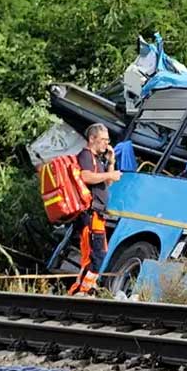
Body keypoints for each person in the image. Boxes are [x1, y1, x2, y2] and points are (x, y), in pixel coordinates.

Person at [69, 123, 122, 295]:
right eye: (103, 140)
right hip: (90, 214)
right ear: (92, 139)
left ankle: (85, 289)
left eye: (108, 140)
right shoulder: (85, 155)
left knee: (96, 255)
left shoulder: (98, 160)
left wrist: (111, 162)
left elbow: (108, 182)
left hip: (98, 214)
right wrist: (109, 174)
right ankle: (79, 292)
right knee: (95, 256)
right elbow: (86, 176)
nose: (106, 144)